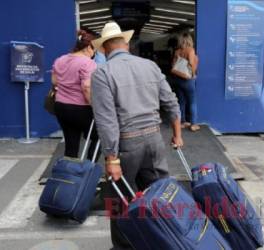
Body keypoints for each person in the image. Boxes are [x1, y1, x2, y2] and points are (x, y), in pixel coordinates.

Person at [91, 22, 183, 250]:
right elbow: (171, 102)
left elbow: (107, 120)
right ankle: (164, 240)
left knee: (120, 199)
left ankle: (124, 246)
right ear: (127, 43)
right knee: (159, 195)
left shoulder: (102, 72)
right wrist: (177, 135)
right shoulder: (150, 66)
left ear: (104, 49)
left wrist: (111, 158)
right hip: (154, 139)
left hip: (126, 143)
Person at [52, 30, 99, 160]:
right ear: (89, 47)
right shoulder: (88, 63)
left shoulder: (60, 59)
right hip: (81, 108)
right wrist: (94, 106)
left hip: (61, 107)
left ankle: (70, 174)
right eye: (94, 50)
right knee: (99, 136)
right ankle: (89, 168)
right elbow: (87, 86)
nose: (94, 53)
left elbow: (54, 81)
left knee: (71, 143)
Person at [172, 33, 200, 132]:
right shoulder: (190, 50)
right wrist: (193, 75)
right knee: (192, 102)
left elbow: (173, 65)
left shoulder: (177, 51)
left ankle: (182, 122)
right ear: (189, 40)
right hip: (188, 80)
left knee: (181, 102)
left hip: (178, 79)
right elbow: (191, 63)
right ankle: (193, 124)